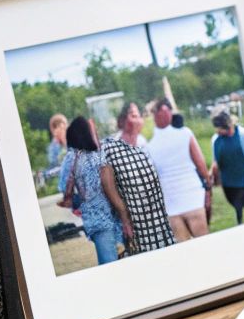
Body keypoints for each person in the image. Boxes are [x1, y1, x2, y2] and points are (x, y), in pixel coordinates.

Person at [102, 101, 174, 255]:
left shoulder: (143, 143)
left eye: (139, 116)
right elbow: (108, 185)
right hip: (132, 216)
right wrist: (124, 215)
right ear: (122, 121)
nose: (138, 119)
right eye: (133, 115)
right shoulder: (111, 146)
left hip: (156, 212)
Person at [61, 117, 132, 267]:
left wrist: (82, 203)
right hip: (106, 220)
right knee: (113, 267)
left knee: (112, 265)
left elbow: (64, 189)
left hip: (101, 220)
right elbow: (108, 186)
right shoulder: (89, 156)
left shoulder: (78, 156)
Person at [145, 98, 212, 241]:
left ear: (153, 116)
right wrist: (207, 185)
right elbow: (201, 165)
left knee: (184, 250)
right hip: (192, 196)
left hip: (170, 202)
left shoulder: (148, 146)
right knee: (205, 244)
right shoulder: (185, 133)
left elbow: (152, 177)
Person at [210, 111, 244, 225]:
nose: (217, 131)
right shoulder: (216, 140)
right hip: (227, 180)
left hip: (242, 179)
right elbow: (215, 160)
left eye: (218, 128)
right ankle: (239, 220)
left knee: (239, 204)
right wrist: (213, 174)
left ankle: (240, 222)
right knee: (234, 202)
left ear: (226, 126)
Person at [40, 113, 68, 187]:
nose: (66, 128)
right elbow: (53, 166)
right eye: (64, 125)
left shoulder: (70, 141)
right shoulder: (53, 148)